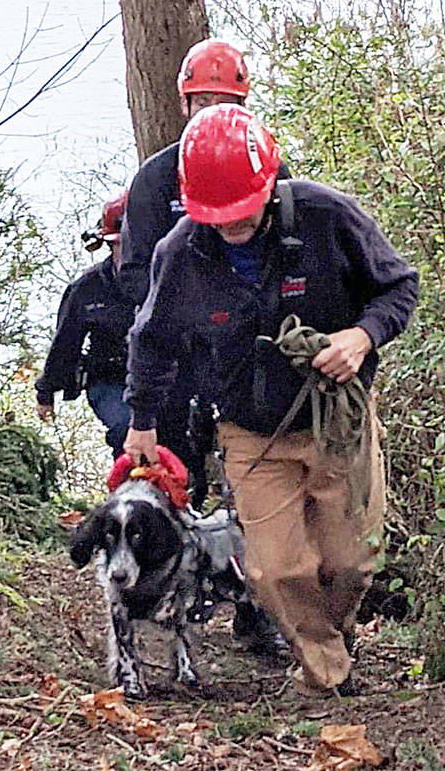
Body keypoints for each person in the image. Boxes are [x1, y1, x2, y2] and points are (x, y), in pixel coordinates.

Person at [123, 105, 420, 697]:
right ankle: (324, 676)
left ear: (268, 186)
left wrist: (360, 338)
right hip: (249, 429)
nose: (230, 225)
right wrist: (142, 421)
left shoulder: (326, 216)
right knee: (274, 570)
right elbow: (151, 340)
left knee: (351, 563)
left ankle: (328, 637)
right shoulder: (180, 253)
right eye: (216, 215)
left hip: (337, 420)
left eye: (240, 211)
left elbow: (398, 287)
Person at [118, 38, 291, 507]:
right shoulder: (156, 180)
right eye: (204, 100)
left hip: (248, 342)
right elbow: (134, 272)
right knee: (174, 450)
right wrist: (183, 311)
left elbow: (289, 250)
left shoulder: (267, 167)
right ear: (185, 103)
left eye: (224, 101)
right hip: (179, 344)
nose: (212, 110)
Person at [35, 193, 134, 455]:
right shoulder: (87, 289)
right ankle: (126, 491)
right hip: (111, 382)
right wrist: (46, 390)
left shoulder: (172, 278)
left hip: (167, 379)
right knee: (127, 430)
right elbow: (65, 343)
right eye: (124, 245)